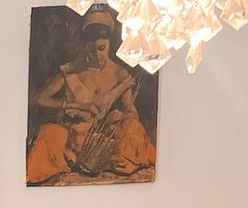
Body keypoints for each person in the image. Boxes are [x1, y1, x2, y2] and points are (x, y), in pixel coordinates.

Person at [26, 9, 156, 185]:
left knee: (133, 128)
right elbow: (39, 98)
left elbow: (132, 113)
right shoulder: (72, 70)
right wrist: (75, 105)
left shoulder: (120, 74)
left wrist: (118, 116)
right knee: (49, 132)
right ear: (84, 47)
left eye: (102, 48)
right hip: (73, 137)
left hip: (103, 142)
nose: (97, 56)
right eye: (91, 50)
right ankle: (68, 162)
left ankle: (110, 163)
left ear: (109, 44)